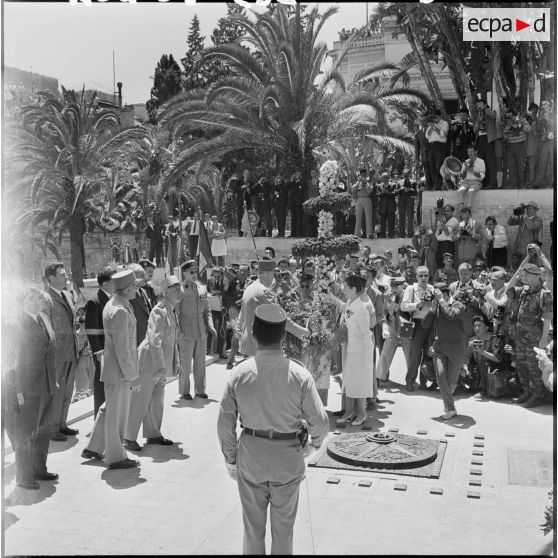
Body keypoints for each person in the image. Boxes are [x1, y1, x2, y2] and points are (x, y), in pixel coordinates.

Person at [217, 304, 329, 555]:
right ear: (283, 335)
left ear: (254, 335)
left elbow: (225, 424)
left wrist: (232, 461)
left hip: (251, 456)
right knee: (284, 530)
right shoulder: (300, 374)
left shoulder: (238, 373)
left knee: (252, 530)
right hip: (287, 457)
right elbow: (320, 423)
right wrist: (313, 446)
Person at [82, 270, 142, 469]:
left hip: (115, 370)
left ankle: (94, 447)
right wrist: (132, 376)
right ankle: (116, 457)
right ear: (126, 289)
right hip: (120, 372)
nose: (137, 289)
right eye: (135, 286)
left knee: (109, 409)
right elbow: (122, 349)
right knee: (117, 414)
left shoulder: (116, 304)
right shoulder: (120, 311)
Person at [124, 276, 182, 451]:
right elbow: (154, 340)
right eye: (176, 289)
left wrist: (175, 363)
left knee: (157, 400)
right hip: (150, 361)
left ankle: (153, 434)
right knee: (141, 400)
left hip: (160, 362)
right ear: (166, 292)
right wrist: (160, 366)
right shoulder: (160, 311)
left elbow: (172, 341)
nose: (180, 292)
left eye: (180, 288)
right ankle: (129, 436)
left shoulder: (172, 309)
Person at [12, 286, 58, 489]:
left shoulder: (42, 319)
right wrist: (18, 390)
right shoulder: (17, 323)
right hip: (28, 386)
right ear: (27, 301)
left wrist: (53, 379)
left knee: (43, 430)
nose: (42, 302)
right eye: (38, 299)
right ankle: (24, 476)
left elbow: (49, 351)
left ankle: (39, 468)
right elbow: (13, 361)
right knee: (27, 432)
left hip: (46, 384)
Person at [236, 259, 309, 357]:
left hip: (248, 342)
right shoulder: (265, 292)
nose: (274, 277)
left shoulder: (250, 288)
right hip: (261, 345)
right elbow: (281, 317)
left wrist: (238, 330)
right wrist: (302, 332)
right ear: (267, 274)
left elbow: (242, 315)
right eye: (273, 274)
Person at [505, 261, 553, 408]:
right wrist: (523, 264)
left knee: (534, 369)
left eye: (526, 273)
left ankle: (538, 395)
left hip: (535, 339)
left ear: (536, 276)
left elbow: (548, 319)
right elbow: (508, 288)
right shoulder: (525, 290)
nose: (523, 275)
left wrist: (544, 341)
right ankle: (527, 392)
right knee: (522, 366)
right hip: (521, 338)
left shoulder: (545, 295)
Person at [331, 274, 375, 426]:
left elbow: (366, 334)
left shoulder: (362, 308)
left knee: (359, 383)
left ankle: (362, 414)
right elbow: (344, 308)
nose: (343, 288)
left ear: (354, 289)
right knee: (349, 382)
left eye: (345, 286)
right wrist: (330, 296)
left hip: (360, 352)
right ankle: (349, 411)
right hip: (349, 349)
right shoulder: (351, 301)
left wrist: (367, 358)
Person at [44, 262, 78, 442]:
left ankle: (62, 424)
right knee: (56, 392)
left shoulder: (67, 295)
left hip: (71, 350)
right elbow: (45, 327)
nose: (66, 277)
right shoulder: (45, 297)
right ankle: (52, 427)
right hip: (56, 354)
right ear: (51, 278)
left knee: (68, 391)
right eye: (62, 274)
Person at [177, 260, 216, 400]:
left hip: (201, 330)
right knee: (186, 363)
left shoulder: (202, 288)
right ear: (184, 274)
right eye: (191, 272)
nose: (194, 274)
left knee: (200, 363)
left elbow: (207, 310)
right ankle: (184, 391)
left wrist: (210, 325)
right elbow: (175, 313)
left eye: (195, 271)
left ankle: (200, 390)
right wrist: (178, 332)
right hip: (186, 330)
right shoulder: (180, 290)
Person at [431, 283, 467, 419]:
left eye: (441, 295)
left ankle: (458, 377)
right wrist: (432, 310)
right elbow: (427, 325)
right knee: (440, 376)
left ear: (447, 295)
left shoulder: (459, 305)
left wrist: (441, 301)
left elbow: (451, 315)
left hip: (457, 348)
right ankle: (450, 409)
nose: (439, 298)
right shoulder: (438, 305)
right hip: (440, 346)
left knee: (450, 383)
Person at [84, 267, 115, 418]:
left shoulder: (113, 298)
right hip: (102, 351)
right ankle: (99, 420)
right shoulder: (94, 301)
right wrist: (97, 351)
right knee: (102, 387)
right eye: (114, 280)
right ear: (105, 284)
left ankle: (110, 418)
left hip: (113, 349)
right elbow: (91, 329)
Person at [400, 266, 436, 391]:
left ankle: (424, 382)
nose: (423, 278)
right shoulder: (411, 289)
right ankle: (410, 380)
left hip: (430, 324)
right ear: (416, 277)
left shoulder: (432, 289)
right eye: (420, 275)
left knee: (428, 353)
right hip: (417, 324)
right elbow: (403, 306)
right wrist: (418, 304)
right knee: (415, 355)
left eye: (426, 275)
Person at [376, 277, 411, 385]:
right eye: (393, 286)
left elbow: (402, 309)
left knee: (409, 354)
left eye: (397, 286)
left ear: (402, 285)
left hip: (405, 327)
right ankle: (379, 377)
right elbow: (386, 312)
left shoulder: (408, 295)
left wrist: (390, 301)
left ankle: (410, 379)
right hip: (392, 326)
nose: (394, 289)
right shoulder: (390, 295)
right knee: (386, 352)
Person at [507, 201, 543, 267]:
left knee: (527, 271)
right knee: (516, 271)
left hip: (529, 252)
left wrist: (525, 216)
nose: (528, 210)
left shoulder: (538, 220)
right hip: (517, 250)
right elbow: (510, 223)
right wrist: (514, 215)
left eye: (530, 209)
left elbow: (532, 226)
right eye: (527, 209)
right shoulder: (523, 219)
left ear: (535, 210)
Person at [129, 264, 154, 348]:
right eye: (142, 276)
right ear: (133, 278)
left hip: (148, 336)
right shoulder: (128, 295)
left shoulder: (144, 290)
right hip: (137, 338)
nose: (145, 277)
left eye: (144, 275)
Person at [207, 266, 227, 359]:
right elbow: (209, 291)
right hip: (213, 307)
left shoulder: (224, 280)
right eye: (215, 271)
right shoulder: (210, 280)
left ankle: (220, 351)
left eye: (218, 271)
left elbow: (226, 291)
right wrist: (214, 292)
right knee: (211, 328)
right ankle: (208, 349)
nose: (216, 273)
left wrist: (220, 292)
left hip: (223, 307)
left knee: (222, 329)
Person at [425, 110, 449, 190]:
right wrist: (432, 126)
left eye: (436, 117)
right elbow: (427, 136)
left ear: (440, 116)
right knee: (431, 166)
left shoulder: (444, 123)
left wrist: (434, 127)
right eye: (434, 118)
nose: (435, 119)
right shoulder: (432, 124)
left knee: (438, 166)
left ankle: (438, 185)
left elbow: (442, 134)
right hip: (432, 146)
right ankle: (435, 184)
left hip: (440, 146)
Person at [458, 145, 485, 209]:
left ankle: (469, 208)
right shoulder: (465, 162)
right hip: (466, 181)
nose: (470, 153)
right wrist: (464, 171)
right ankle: (461, 207)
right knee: (461, 190)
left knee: (471, 190)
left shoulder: (481, 161)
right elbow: (462, 177)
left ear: (475, 152)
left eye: (472, 151)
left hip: (476, 182)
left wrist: (472, 171)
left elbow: (482, 176)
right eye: (468, 152)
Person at [352, 168, 374, 238]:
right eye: (362, 174)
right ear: (360, 175)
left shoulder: (369, 181)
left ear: (366, 174)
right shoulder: (358, 182)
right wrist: (358, 182)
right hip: (359, 199)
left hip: (367, 198)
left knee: (368, 216)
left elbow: (370, 190)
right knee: (358, 217)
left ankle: (369, 233)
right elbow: (353, 190)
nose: (363, 175)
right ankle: (357, 233)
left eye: (364, 174)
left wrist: (366, 182)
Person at [396, 170, 416, 238]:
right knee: (401, 218)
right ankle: (402, 235)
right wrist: (400, 189)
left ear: (409, 174)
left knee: (410, 218)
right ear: (403, 175)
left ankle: (410, 235)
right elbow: (396, 193)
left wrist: (411, 189)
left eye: (407, 175)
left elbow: (416, 192)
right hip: (401, 202)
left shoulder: (413, 182)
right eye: (404, 175)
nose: (406, 177)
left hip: (410, 201)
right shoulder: (399, 182)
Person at [377, 173, 397, 238]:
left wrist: (387, 193)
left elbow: (395, 193)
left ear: (388, 178)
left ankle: (391, 236)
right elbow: (376, 194)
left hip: (391, 207)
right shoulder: (379, 186)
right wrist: (382, 193)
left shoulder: (393, 185)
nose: (385, 179)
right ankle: (383, 236)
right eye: (384, 177)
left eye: (386, 177)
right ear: (382, 178)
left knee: (391, 223)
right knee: (382, 223)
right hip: (382, 207)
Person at [288, 171, 305, 238]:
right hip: (292, 203)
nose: (297, 176)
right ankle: (293, 233)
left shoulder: (302, 183)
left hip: (299, 203)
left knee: (299, 219)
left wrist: (299, 182)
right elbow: (287, 186)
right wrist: (292, 180)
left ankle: (299, 233)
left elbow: (303, 190)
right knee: (293, 219)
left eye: (299, 175)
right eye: (296, 175)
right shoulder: (292, 183)